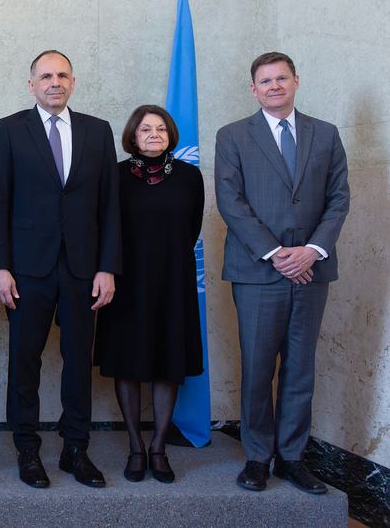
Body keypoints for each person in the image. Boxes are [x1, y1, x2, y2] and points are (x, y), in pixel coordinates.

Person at [0, 50, 121, 489]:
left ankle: (75, 450)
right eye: (45, 76)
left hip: (83, 269)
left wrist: (107, 267)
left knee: (78, 362)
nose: (54, 83)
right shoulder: (8, 131)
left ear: (73, 82)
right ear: (31, 85)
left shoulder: (97, 132)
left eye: (62, 75)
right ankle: (27, 450)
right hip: (27, 269)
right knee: (24, 361)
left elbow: (110, 207)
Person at [216, 51, 349, 494]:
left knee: (300, 368)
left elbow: (338, 198)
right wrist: (276, 254)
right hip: (258, 271)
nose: (274, 86)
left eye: (281, 78)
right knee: (257, 367)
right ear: (253, 89)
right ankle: (257, 457)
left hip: (312, 270)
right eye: (265, 81)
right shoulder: (233, 136)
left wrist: (312, 251)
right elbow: (230, 202)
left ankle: (292, 458)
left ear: (296, 81)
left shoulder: (326, 135)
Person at [93, 105, 204, 483]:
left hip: (173, 281)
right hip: (126, 280)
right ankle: (135, 447)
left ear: (170, 134)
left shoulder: (190, 177)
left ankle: (158, 446)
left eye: (160, 128)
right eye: (145, 129)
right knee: (129, 359)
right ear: (133, 136)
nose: (154, 134)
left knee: (167, 359)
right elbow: (104, 225)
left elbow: (192, 228)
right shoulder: (117, 175)